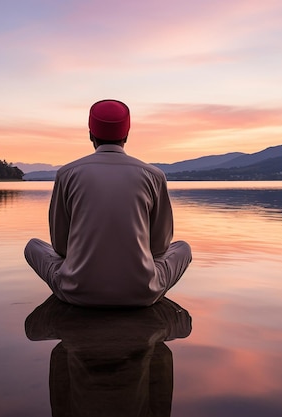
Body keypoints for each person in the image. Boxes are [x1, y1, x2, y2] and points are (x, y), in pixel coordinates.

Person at [24, 99, 192, 307]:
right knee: (182, 248)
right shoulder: (154, 175)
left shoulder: (67, 174)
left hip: (76, 292)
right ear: (127, 135)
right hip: (142, 293)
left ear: (90, 134)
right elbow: (159, 247)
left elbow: (60, 246)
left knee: (33, 247)